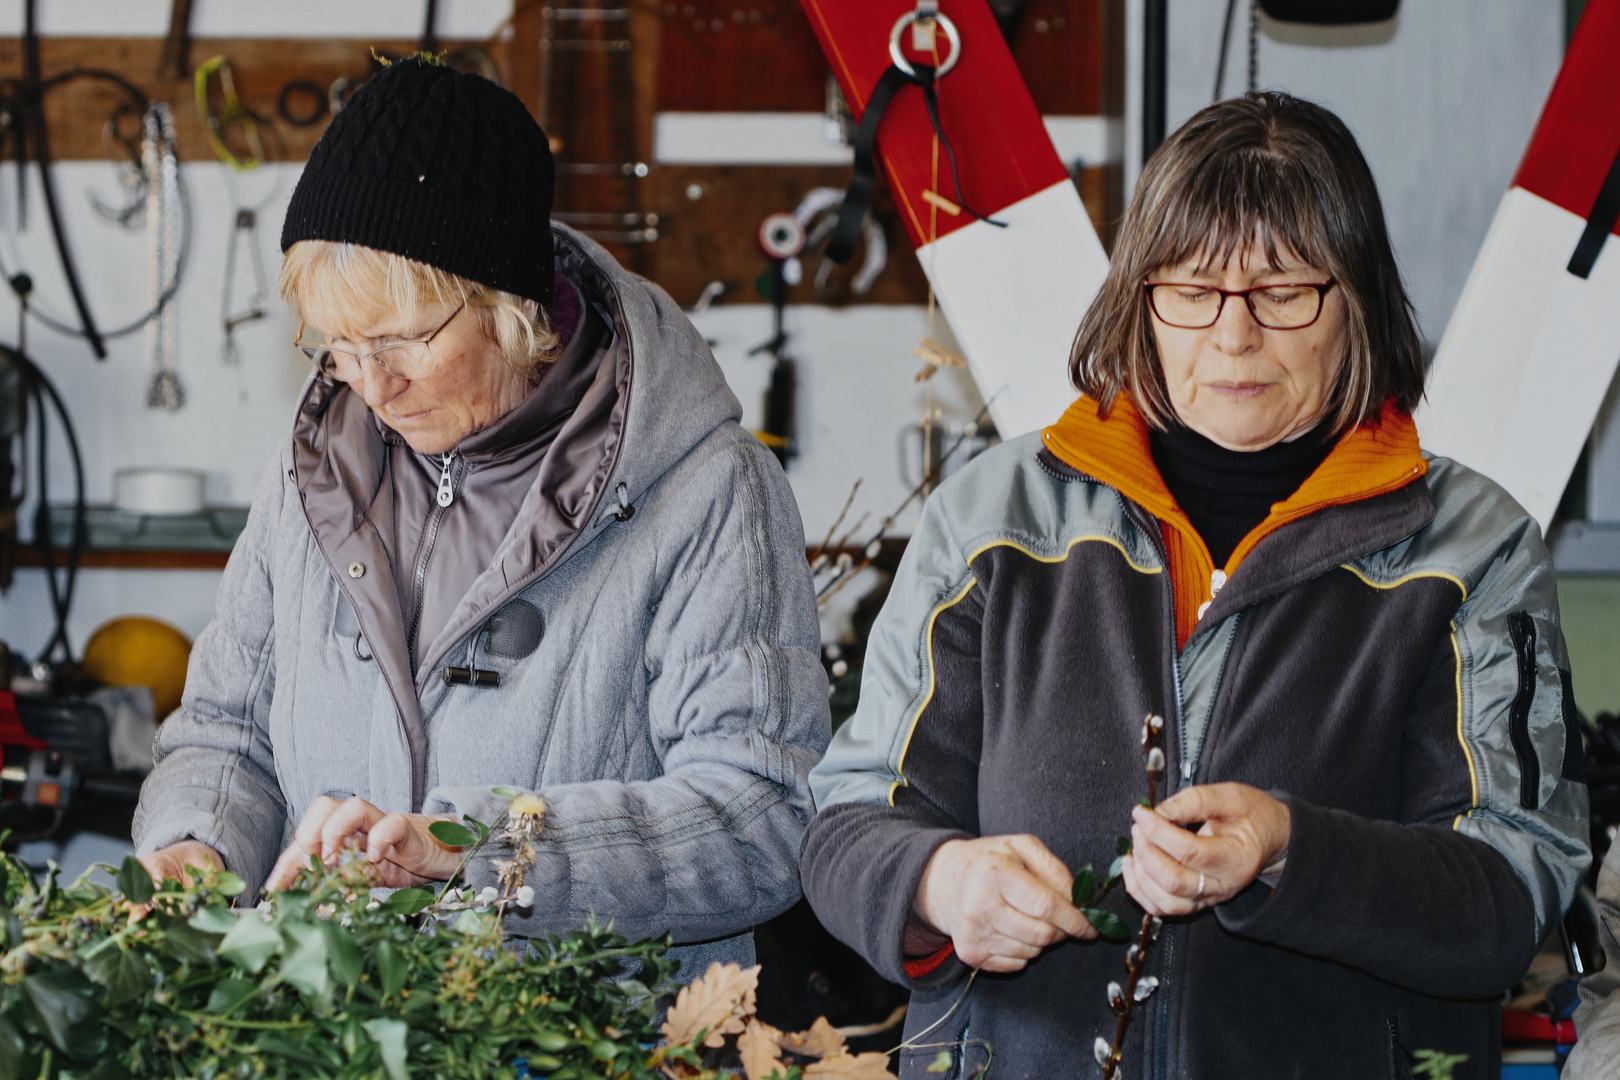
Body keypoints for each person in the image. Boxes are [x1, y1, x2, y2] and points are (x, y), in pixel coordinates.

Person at [799, 92, 1590, 1078]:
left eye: (1284, 290)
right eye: (1192, 289)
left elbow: (1511, 892)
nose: (1234, 337)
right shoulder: (995, 523)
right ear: (1139, 298)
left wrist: (1293, 850)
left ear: (1359, 303)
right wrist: (935, 881)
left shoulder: (1470, 551)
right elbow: (846, 823)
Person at [133, 57, 829, 977]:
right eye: (338, 347)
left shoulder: (707, 491)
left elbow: (763, 818)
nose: (371, 387)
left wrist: (479, 850)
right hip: (335, 1030)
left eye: (402, 341)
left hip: (588, 1048)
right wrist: (198, 851)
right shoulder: (313, 474)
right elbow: (228, 735)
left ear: (510, 306)